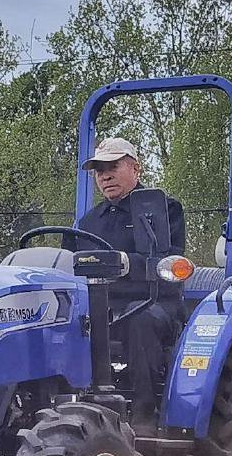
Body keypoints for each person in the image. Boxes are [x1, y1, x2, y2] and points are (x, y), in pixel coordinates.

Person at [79, 137, 187, 416]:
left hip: (152, 300)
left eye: (112, 166)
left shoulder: (164, 210)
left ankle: (143, 413)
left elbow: (169, 263)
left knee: (141, 320)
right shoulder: (89, 221)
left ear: (135, 168)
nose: (105, 175)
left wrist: (127, 263)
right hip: (100, 305)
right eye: (98, 170)